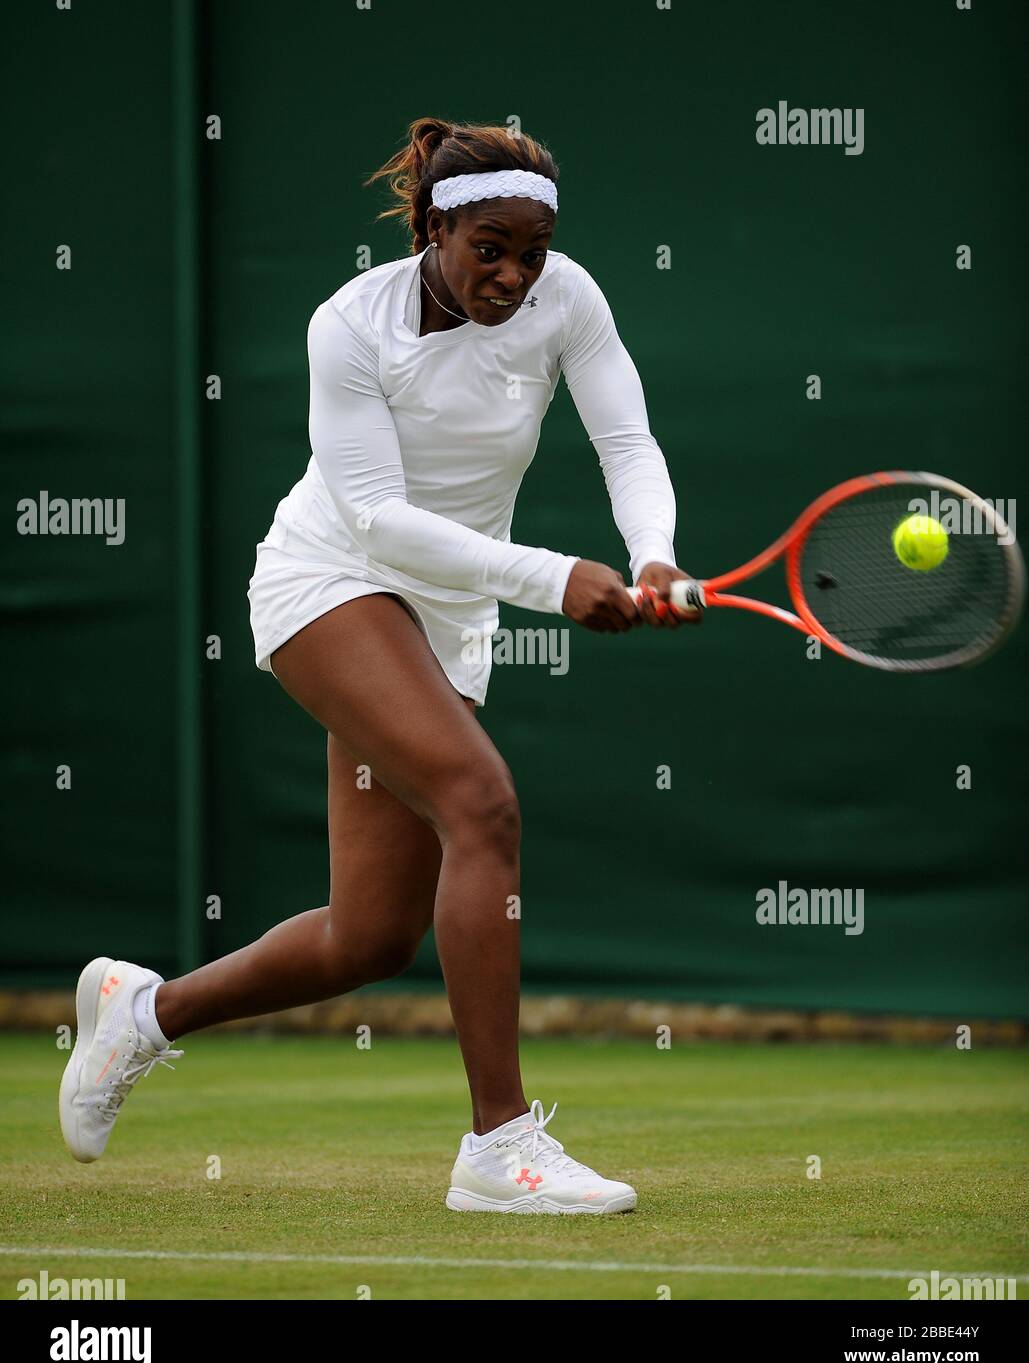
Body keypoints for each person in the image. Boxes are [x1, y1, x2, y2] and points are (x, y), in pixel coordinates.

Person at [59, 117, 695, 1214]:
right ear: (435, 226)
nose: (512, 274)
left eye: (531, 252)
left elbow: (625, 444)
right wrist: (556, 579)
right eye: (487, 247)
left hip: (441, 618)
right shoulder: (350, 325)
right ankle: (498, 1146)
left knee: (367, 937)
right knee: (482, 803)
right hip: (332, 580)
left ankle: (141, 1013)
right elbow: (380, 520)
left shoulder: (569, 300)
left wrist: (651, 554)